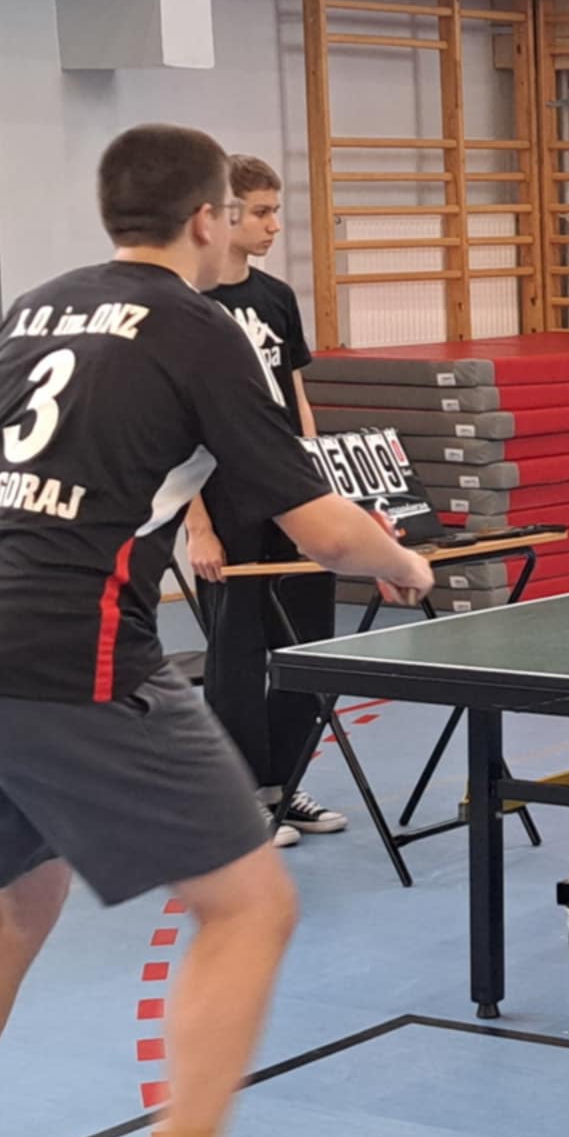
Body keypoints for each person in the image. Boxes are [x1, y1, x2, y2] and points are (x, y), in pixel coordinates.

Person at [0, 123, 433, 1137]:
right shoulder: (200, 327)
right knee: (251, 902)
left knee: (13, 908)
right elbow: (320, 524)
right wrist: (403, 564)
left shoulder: (39, 306)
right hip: (73, 655)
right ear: (208, 218)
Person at [183, 155, 346, 848]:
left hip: (290, 493)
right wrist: (198, 526)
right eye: (260, 212)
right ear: (221, 216)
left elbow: (296, 397)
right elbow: (177, 428)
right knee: (238, 653)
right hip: (225, 498)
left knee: (306, 642)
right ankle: (237, 797)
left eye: (275, 211)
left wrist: (318, 483)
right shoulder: (190, 306)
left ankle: (283, 785)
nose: (274, 225)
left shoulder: (277, 297)